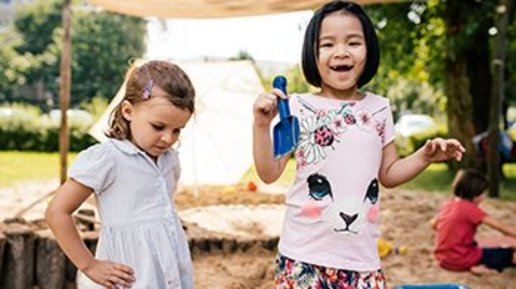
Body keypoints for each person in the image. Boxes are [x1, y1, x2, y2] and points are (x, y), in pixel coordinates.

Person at [252, 1, 465, 288]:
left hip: (362, 262)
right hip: (303, 259)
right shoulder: (298, 107)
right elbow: (269, 173)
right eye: (327, 44)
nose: (341, 52)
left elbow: (388, 174)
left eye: (353, 42)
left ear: (369, 50)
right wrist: (262, 126)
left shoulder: (380, 108)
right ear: (312, 54)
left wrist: (424, 156)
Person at [45, 60, 196, 289]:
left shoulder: (169, 159)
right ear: (128, 111)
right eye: (158, 126)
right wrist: (89, 265)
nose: (168, 138)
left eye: (177, 130)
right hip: (129, 272)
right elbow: (57, 212)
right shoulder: (107, 159)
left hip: (168, 264)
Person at [431, 169, 516, 274]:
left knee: (485, 244)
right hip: (460, 260)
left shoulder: (448, 205)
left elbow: (434, 225)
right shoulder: (471, 210)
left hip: (442, 259)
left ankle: (474, 262)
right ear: (476, 195)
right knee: (508, 253)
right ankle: (477, 266)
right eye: (483, 194)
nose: (484, 197)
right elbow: (501, 227)